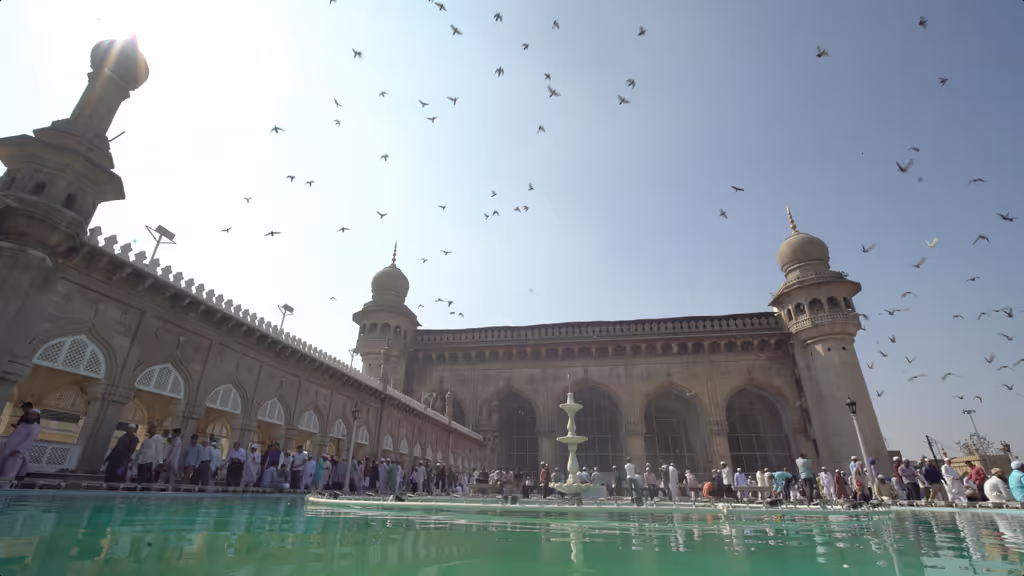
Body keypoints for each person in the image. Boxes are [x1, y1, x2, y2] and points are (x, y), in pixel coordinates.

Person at [0, 407, 41, 482]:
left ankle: (4, 491)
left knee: (8, 473)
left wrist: (17, 450)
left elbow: (29, 440)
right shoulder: (22, 424)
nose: (30, 416)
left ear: (37, 417)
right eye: (30, 414)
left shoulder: (35, 427)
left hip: (17, 454)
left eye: (34, 414)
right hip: (6, 450)